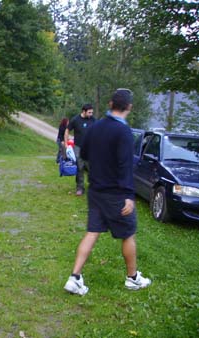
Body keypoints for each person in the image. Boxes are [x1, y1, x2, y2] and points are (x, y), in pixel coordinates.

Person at [63, 89, 151, 296]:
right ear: (129, 107)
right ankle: (132, 279)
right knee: (128, 234)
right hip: (116, 195)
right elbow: (125, 165)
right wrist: (129, 195)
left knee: (92, 232)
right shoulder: (124, 132)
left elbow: (84, 153)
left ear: (110, 103)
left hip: (95, 190)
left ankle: (74, 277)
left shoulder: (96, 126)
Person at [64, 104, 96, 196]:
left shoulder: (93, 120)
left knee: (92, 168)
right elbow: (67, 130)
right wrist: (66, 144)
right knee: (80, 167)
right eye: (89, 112)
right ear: (83, 111)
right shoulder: (75, 120)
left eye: (92, 112)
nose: (91, 114)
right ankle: (80, 188)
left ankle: (93, 188)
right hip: (78, 147)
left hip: (91, 148)